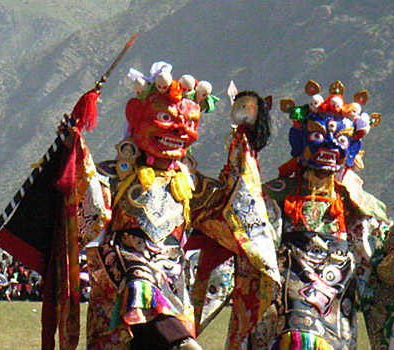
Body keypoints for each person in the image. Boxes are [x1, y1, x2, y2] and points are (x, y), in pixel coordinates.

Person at [49, 63, 280, 349]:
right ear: (137, 117)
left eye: (188, 124)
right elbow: (88, 196)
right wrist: (75, 147)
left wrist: (243, 145)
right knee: (141, 289)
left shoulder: (190, 182)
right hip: (124, 265)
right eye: (164, 119)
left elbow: (227, 205)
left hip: (171, 275)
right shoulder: (117, 173)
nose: (179, 131)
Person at [248, 81, 394, 349]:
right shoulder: (277, 194)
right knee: (298, 338)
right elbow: (255, 236)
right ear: (299, 142)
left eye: (341, 139)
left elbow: (383, 249)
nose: (330, 144)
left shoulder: (357, 203)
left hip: (337, 299)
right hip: (289, 298)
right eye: (318, 136)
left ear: (351, 150)